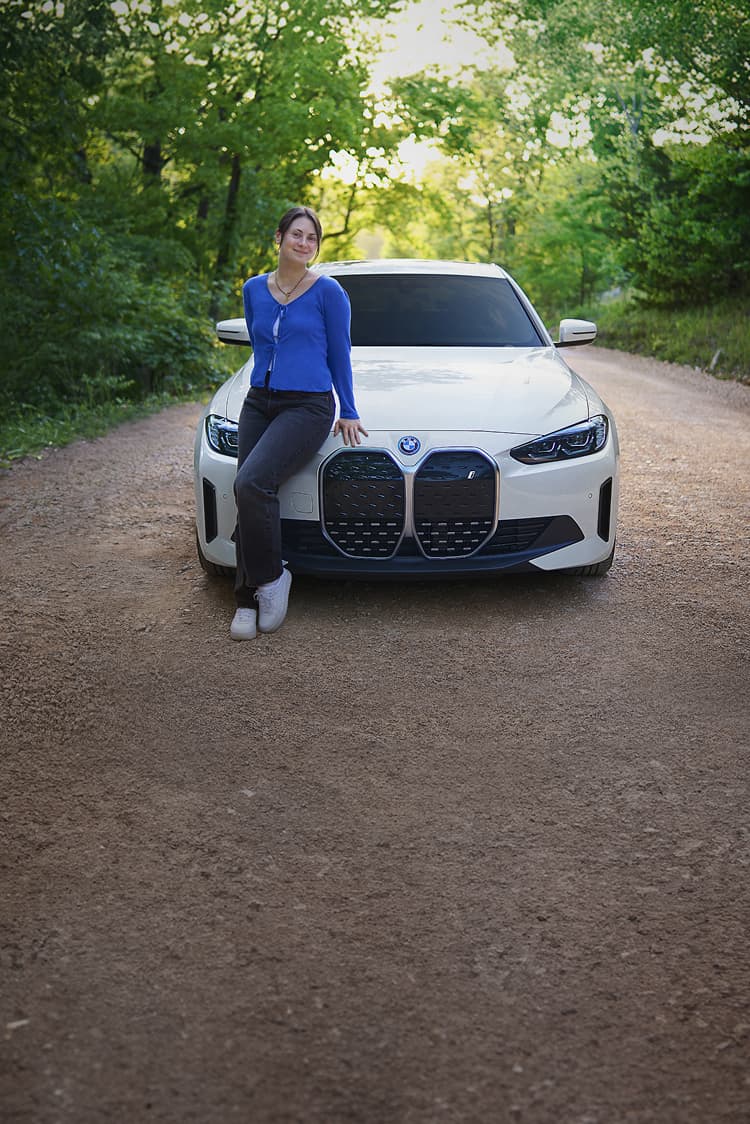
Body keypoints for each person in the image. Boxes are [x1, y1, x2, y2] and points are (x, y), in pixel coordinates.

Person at [230, 205, 368, 641]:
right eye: (297, 235)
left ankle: (270, 581)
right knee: (245, 490)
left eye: (312, 238)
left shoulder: (329, 292)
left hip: (308, 406)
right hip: (259, 402)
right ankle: (246, 599)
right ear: (279, 238)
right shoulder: (254, 289)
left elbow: (339, 353)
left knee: (253, 482)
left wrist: (348, 408)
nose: (304, 243)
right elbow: (260, 344)